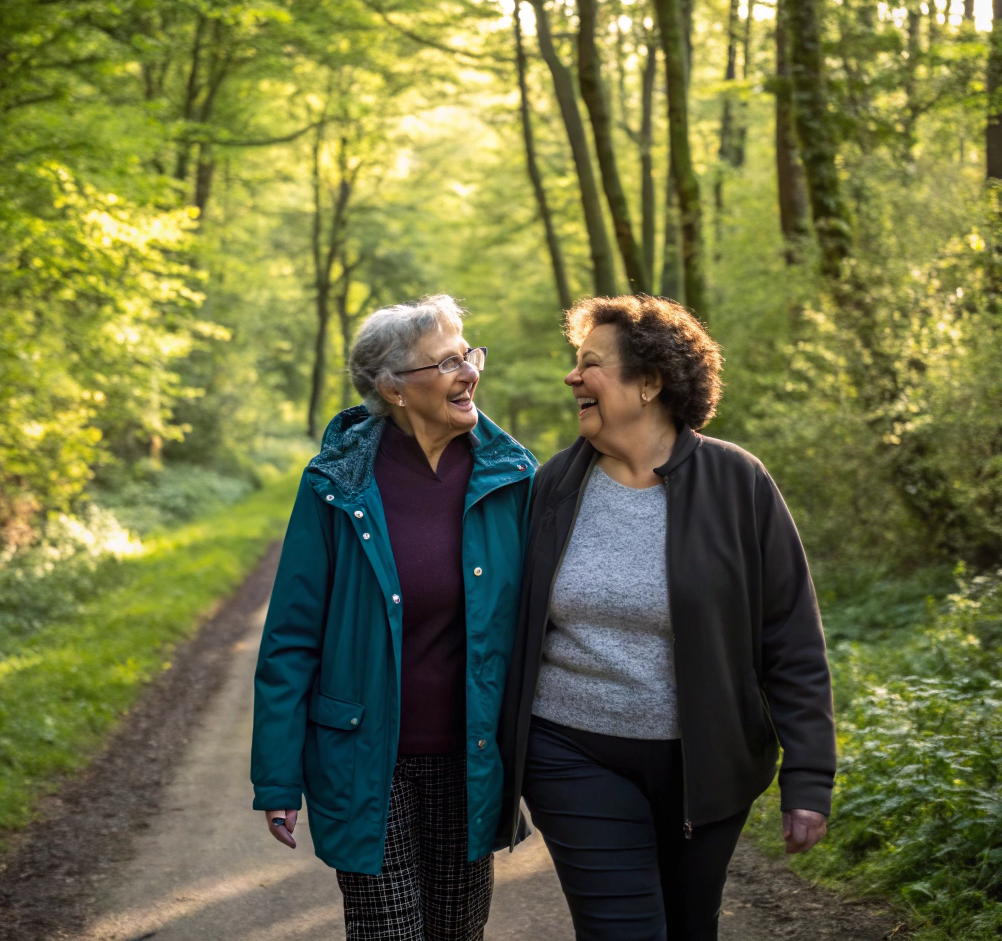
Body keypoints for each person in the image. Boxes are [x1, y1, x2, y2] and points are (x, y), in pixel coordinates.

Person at [496, 294, 837, 941]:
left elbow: (789, 637)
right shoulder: (553, 487)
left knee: (688, 927)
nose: (572, 378)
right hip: (569, 753)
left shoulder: (738, 483)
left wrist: (809, 778)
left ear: (648, 383)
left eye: (590, 364)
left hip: (704, 767)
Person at [251, 294, 536, 941]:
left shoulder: (513, 477)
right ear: (394, 389)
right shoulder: (335, 483)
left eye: (469, 355)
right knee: (388, 934)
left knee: (455, 931)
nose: (469, 372)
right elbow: (291, 637)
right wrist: (276, 777)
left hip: (471, 759)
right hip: (363, 759)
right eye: (446, 362)